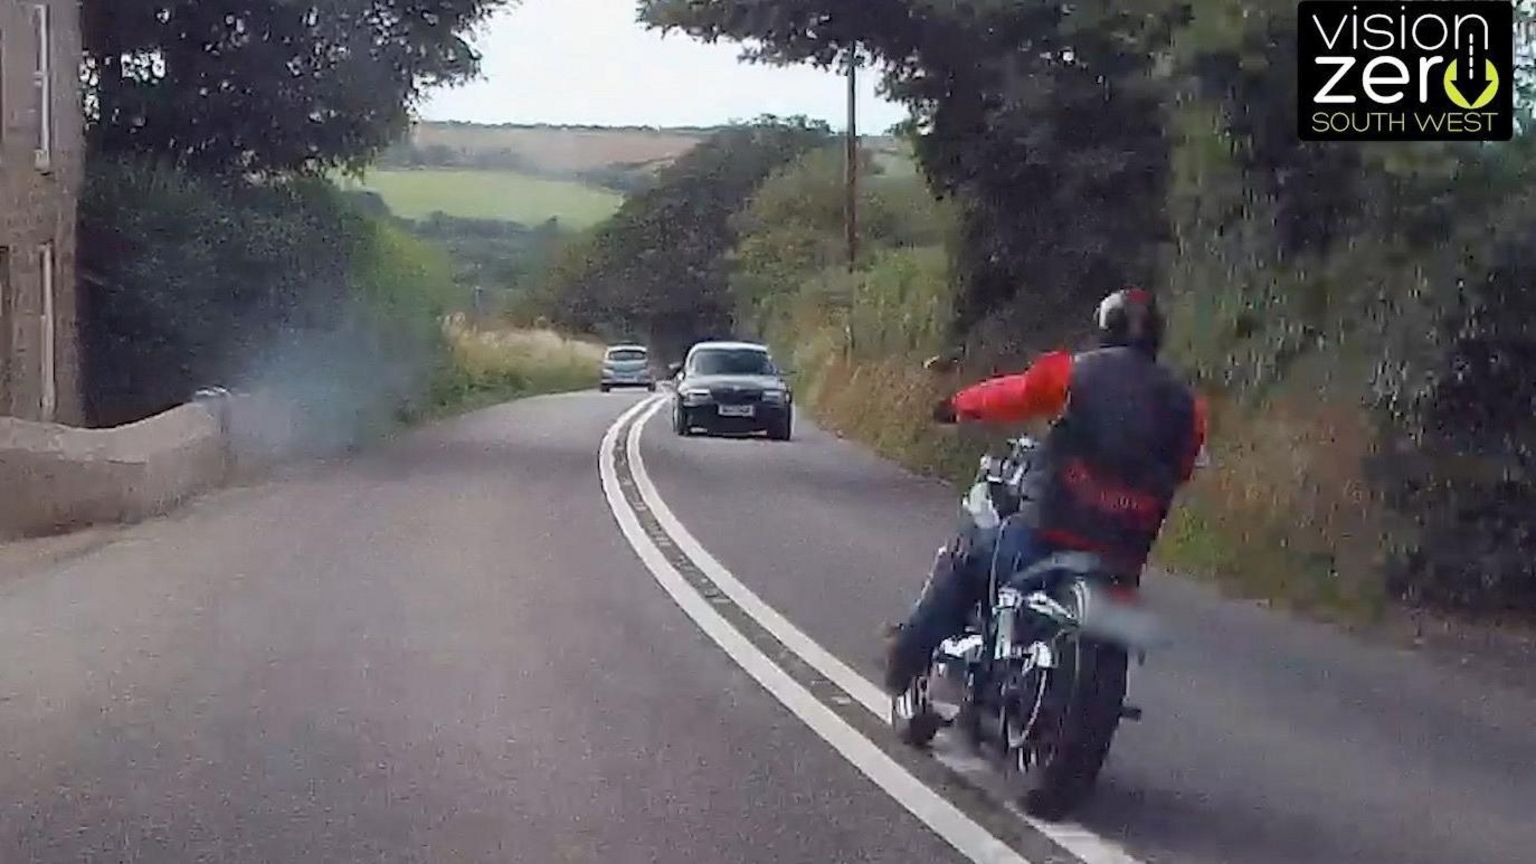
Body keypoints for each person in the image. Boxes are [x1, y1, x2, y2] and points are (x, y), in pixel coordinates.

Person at [884, 288, 1208, 694]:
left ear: (1105, 327)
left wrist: (957, 405)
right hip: (1121, 557)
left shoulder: (1076, 372)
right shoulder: (1187, 406)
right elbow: (1183, 468)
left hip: (1049, 534)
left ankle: (906, 661)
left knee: (967, 561)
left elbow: (1014, 395)